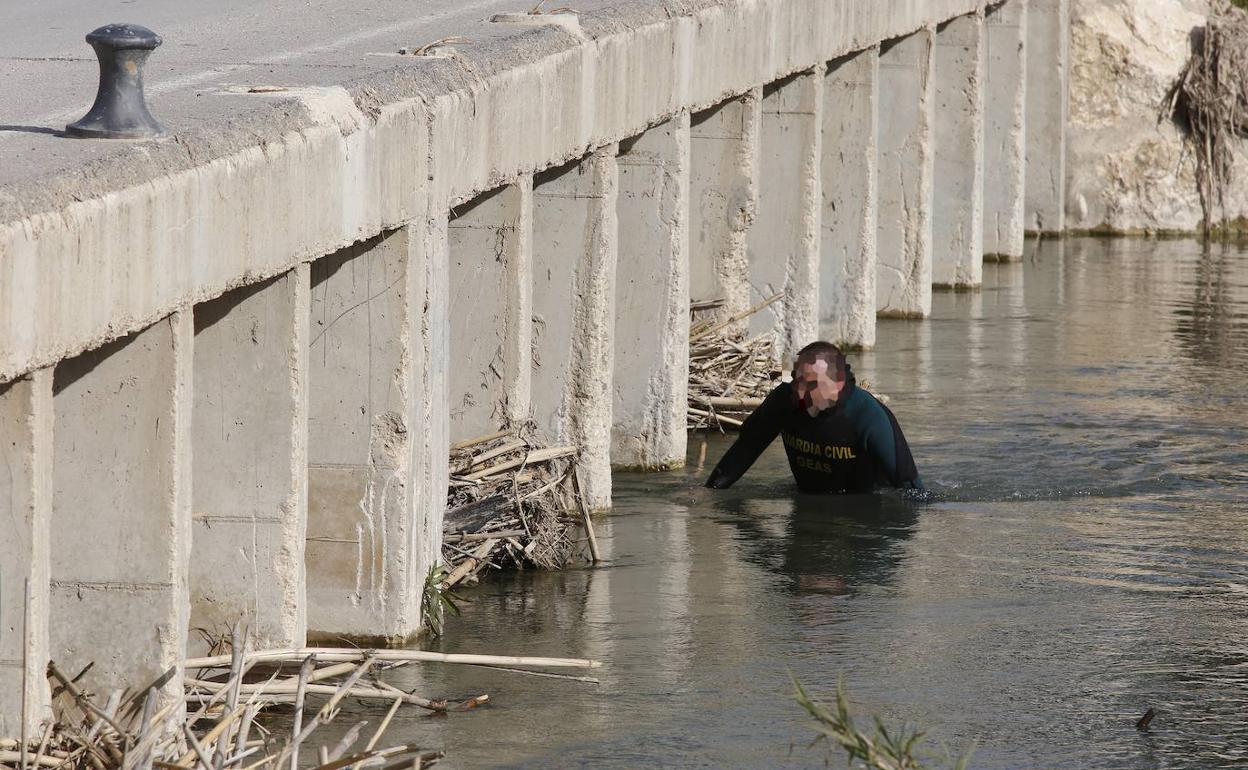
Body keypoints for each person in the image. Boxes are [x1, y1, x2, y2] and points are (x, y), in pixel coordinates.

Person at [704, 340, 923, 493]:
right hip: (806, 502)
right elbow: (744, 450)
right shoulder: (783, 401)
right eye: (797, 382)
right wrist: (710, 492)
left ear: (838, 384)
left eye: (811, 385)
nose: (800, 393)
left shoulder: (867, 416)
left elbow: (912, 490)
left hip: (864, 511)